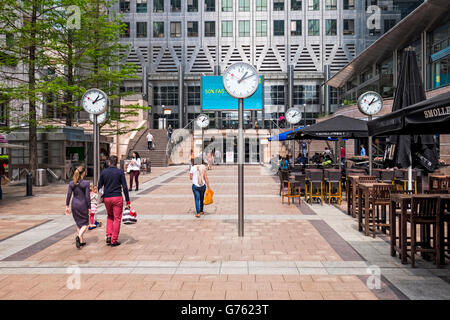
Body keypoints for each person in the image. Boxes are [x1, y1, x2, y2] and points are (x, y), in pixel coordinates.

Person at [98, 155, 130, 247]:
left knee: (110, 216)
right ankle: (114, 240)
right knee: (117, 218)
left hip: (107, 198)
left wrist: (102, 195)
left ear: (109, 162)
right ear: (116, 163)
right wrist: (128, 200)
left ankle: (109, 235)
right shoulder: (119, 172)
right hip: (117, 197)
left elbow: (99, 186)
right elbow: (124, 187)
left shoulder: (104, 172)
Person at [65, 166, 90, 249]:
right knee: (85, 224)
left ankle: (81, 241)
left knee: (79, 223)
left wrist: (67, 206)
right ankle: (79, 237)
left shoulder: (72, 183)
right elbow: (87, 197)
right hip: (82, 204)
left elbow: (69, 195)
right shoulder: (86, 183)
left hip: (74, 204)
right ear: (83, 173)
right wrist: (89, 207)